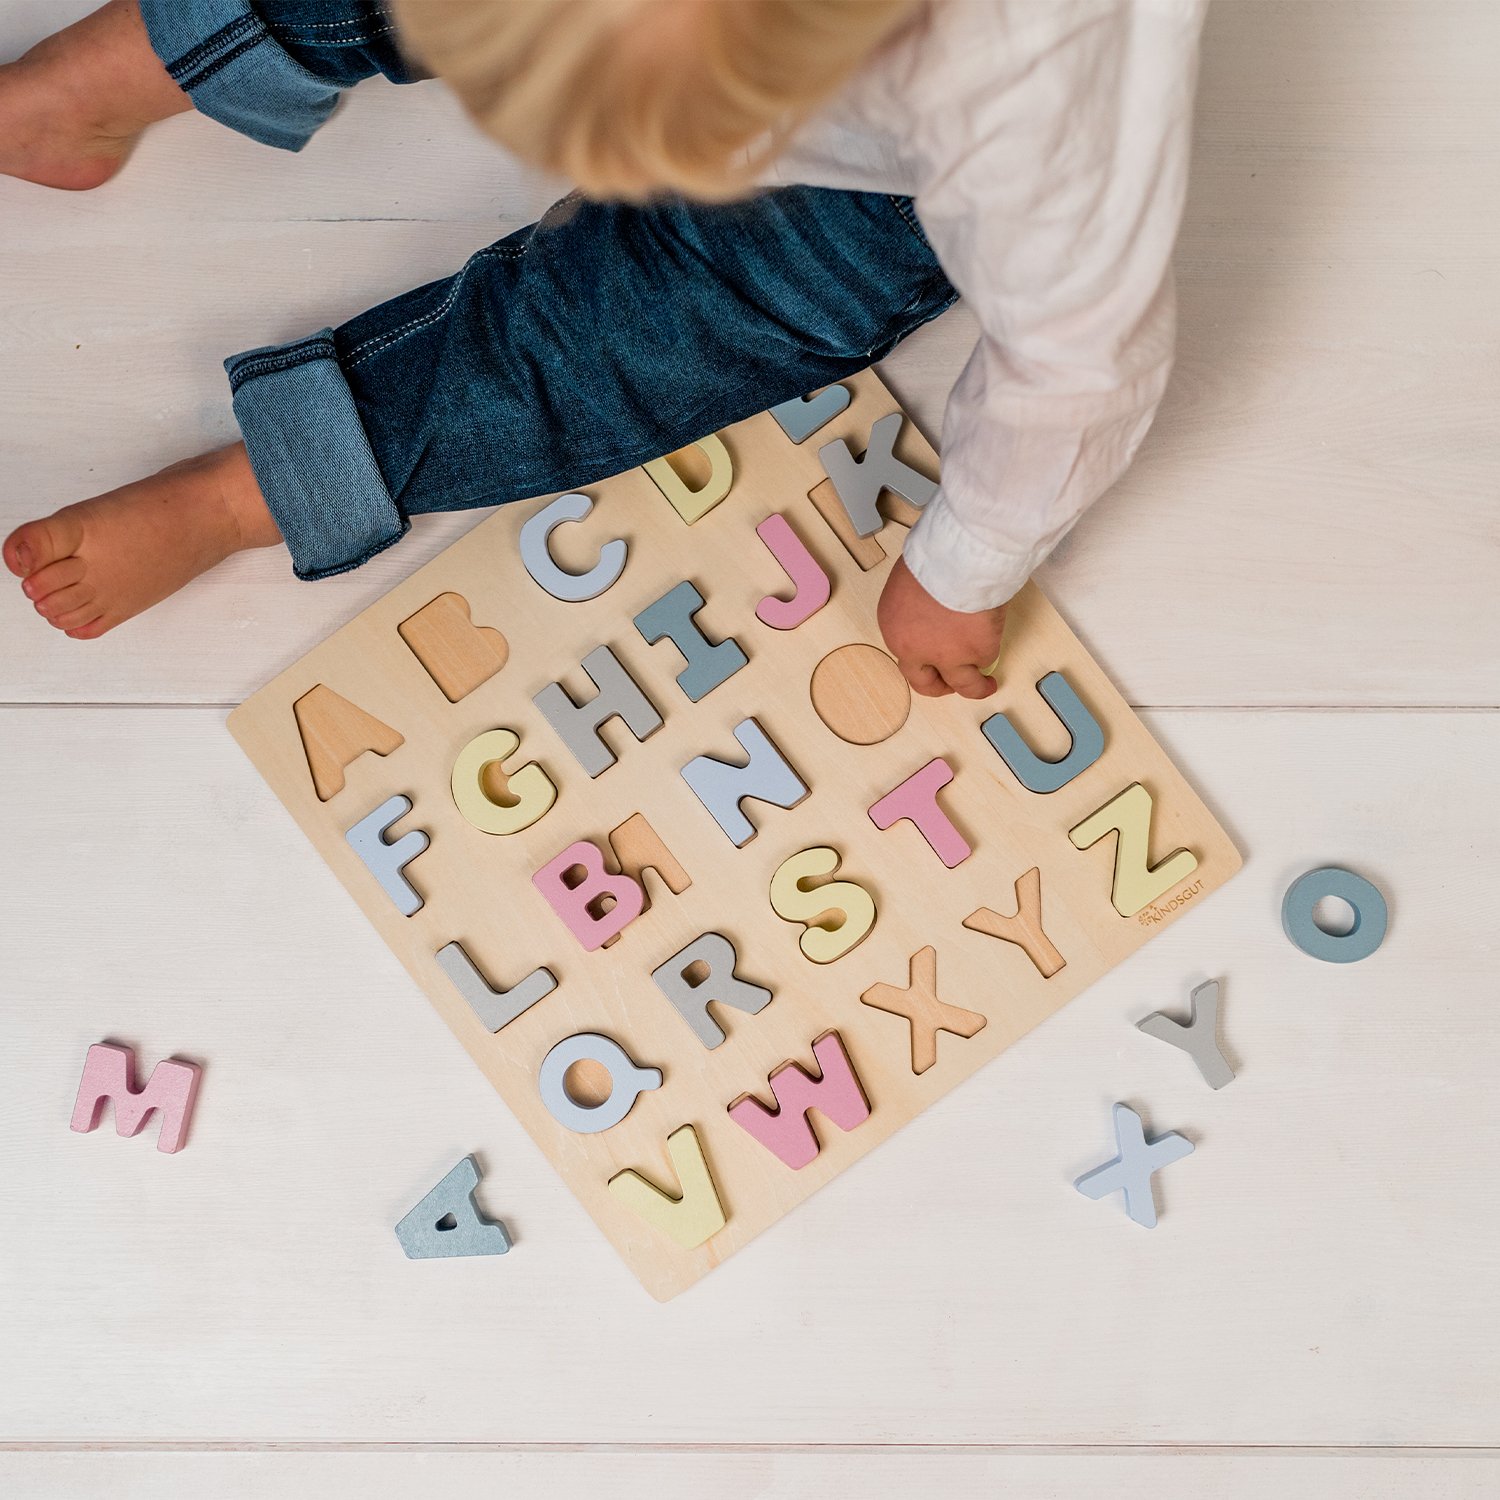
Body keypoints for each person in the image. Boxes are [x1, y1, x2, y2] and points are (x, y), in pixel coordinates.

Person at [1, 0, 1204, 701]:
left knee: (635, 337)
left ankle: (259, 488)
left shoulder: (1043, 128)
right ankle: (103, 80)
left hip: (874, 189)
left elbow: (1079, 371)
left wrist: (962, 573)